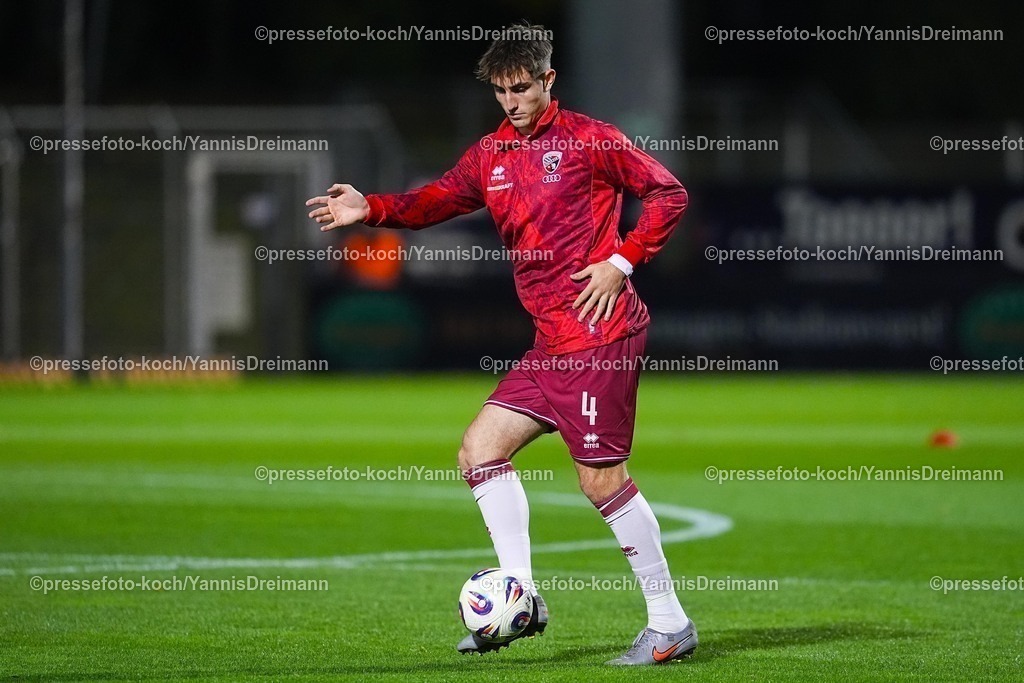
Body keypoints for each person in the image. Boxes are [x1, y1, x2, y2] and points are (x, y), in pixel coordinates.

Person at [306, 22, 694, 666]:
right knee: (480, 450)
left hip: (600, 336)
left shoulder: (591, 140)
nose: (511, 101)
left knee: (601, 483)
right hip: (551, 343)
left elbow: (668, 192)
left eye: (522, 88)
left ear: (548, 81)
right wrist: (370, 208)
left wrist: (620, 262)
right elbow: (438, 199)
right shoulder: (491, 154)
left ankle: (670, 622)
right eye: (500, 91)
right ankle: (524, 598)